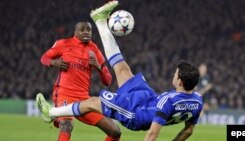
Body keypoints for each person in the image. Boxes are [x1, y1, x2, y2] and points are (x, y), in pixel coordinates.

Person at [37, 1, 203, 141]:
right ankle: (100, 21)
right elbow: (188, 131)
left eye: (175, 74)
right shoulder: (197, 101)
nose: (173, 75)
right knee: (122, 68)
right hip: (148, 99)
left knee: (94, 102)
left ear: (180, 81)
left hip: (135, 113)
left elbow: (152, 133)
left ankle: (50, 112)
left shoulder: (168, 100)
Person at [39, 21, 121, 141]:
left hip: (84, 99)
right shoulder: (64, 44)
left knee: (115, 132)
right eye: (82, 29)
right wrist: (54, 62)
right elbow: (44, 58)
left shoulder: (94, 49)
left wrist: (98, 66)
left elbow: (108, 80)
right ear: (75, 32)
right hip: (64, 94)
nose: (86, 32)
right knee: (66, 125)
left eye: (89, 30)